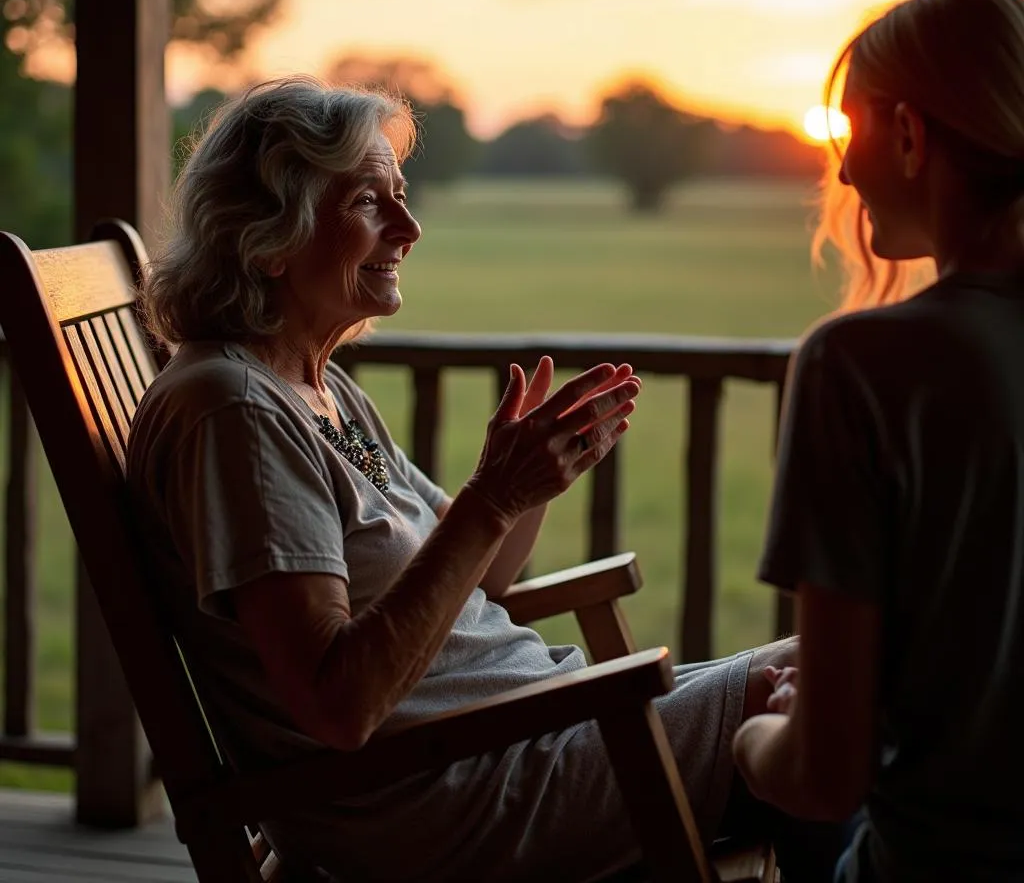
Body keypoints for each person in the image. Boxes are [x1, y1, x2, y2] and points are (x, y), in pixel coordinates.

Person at [127, 76, 805, 882]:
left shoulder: (315, 391)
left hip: (524, 734)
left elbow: (481, 577)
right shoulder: (235, 415)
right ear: (268, 236)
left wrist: (523, 483)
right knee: (846, 699)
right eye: (368, 203)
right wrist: (491, 499)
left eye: (401, 196)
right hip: (448, 799)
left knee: (841, 676)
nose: (409, 228)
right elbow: (337, 705)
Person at [732, 0, 1024, 881]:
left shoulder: (860, 366)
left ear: (907, 133)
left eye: (851, 133)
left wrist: (756, 734)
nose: (847, 171)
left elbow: (825, 779)